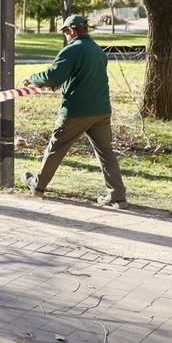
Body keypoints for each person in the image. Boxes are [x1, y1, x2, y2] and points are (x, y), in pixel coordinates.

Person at [22, 14, 127, 208]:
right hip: (101, 111)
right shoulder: (97, 51)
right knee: (106, 153)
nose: (66, 36)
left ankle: (38, 187)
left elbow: (53, 76)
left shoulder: (72, 50)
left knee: (56, 148)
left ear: (71, 31)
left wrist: (32, 78)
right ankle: (118, 196)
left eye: (66, 32)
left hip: (77, 111)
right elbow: (81, 77)